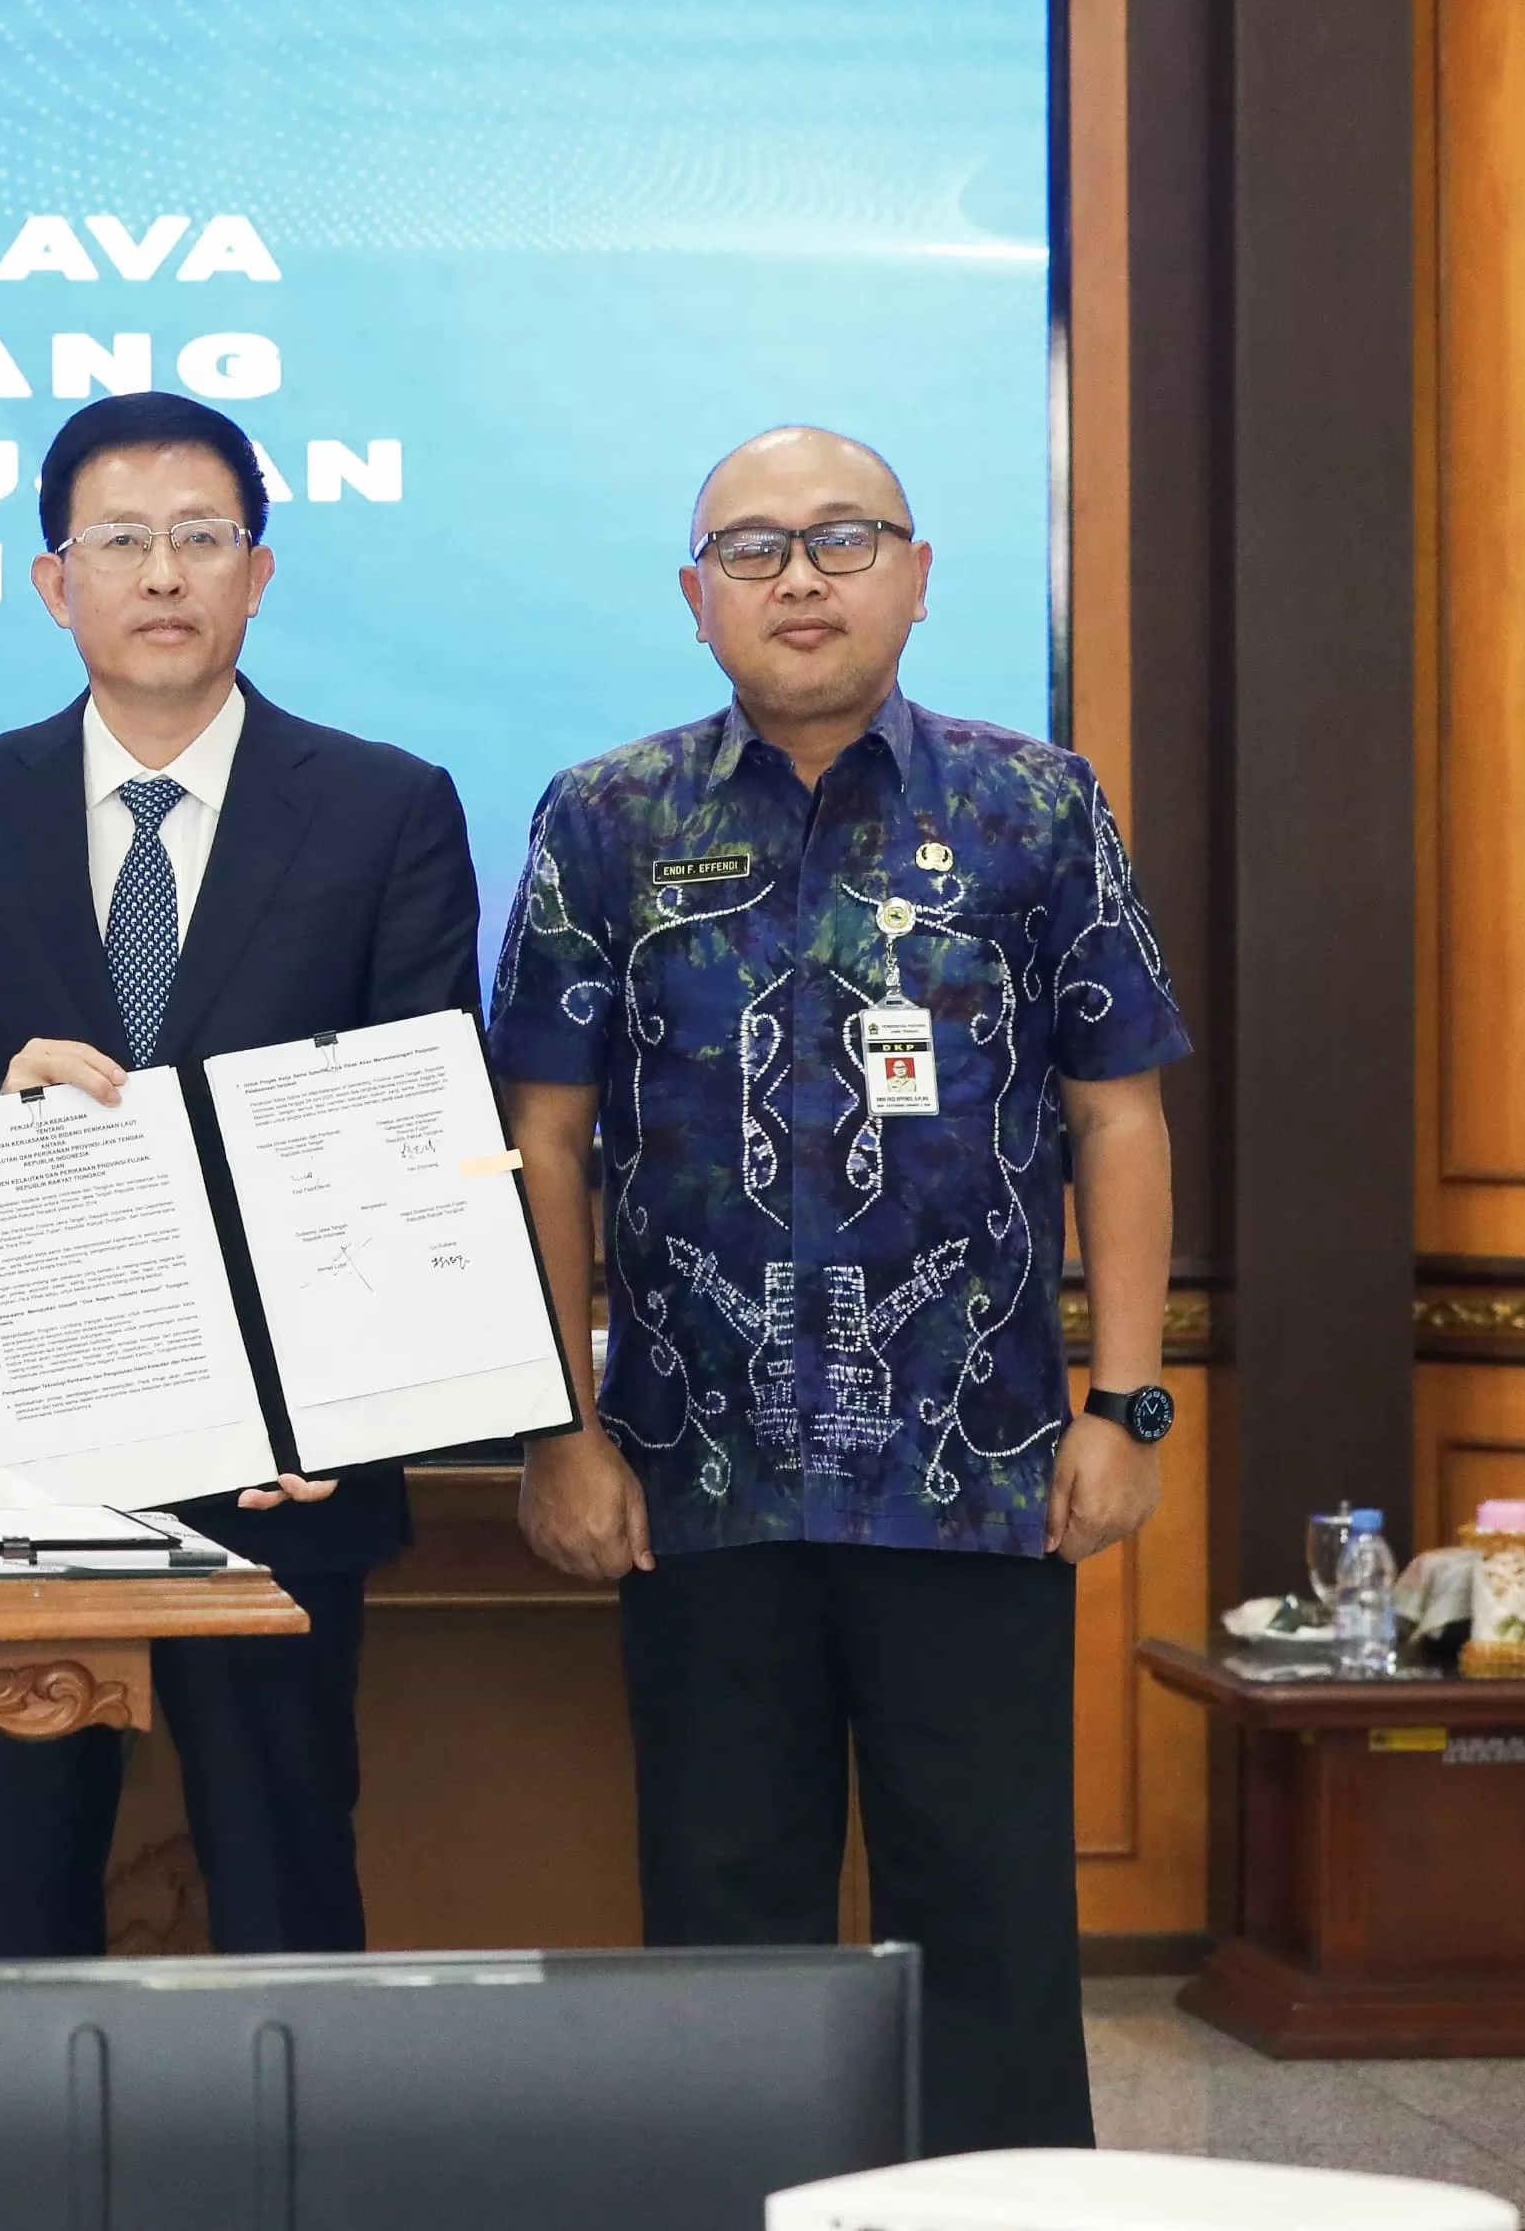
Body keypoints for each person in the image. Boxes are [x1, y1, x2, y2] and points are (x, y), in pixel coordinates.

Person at [494, 423, 1183, 2154]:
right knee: (726, 1922)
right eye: (754, 549)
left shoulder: (1038, 806)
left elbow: (1120, 1112)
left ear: (922, 574)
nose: (800, 577)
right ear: (694, 597)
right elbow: (544, 1140)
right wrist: (556, 1432)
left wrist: (1128, 1402)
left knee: (995, 1918)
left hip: (981, 1470)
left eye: (844, 539)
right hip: (690, 1473)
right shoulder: (606, 818)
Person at [0, 390, 480, 1958]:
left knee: (288, 1878)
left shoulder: (386, 808)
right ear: (57, 581)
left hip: (287, 1455)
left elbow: (423, 1123)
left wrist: (350, 1401)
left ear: (259, 571)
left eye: (200, 537)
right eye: (121, 541)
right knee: (20, 1892)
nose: (162, 573)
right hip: (33, 1443)